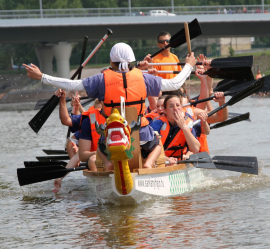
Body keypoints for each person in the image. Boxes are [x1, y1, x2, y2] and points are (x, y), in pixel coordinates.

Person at [23, 43, 197, 169]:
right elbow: (175, 83)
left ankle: (108, 164)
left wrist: (42, 77)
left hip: (112, 135)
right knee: (158, 144)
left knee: (99, 147)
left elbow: (71, 84)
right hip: (140, 133)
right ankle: (149, 164)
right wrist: (189, 65)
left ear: (111, 62)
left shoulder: (101, 80)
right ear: (131, 62)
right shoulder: (143, 78)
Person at [150, 95, 210, 165]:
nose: (175, 108)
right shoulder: (157, 124)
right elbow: (149, 149)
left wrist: (184, 127)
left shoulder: (188, 122)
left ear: (181, 108)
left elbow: (195, 149)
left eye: (178, 105)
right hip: (162, 161)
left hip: (181, 160)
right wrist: (165, 158)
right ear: (165, 110)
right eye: (171, 106)